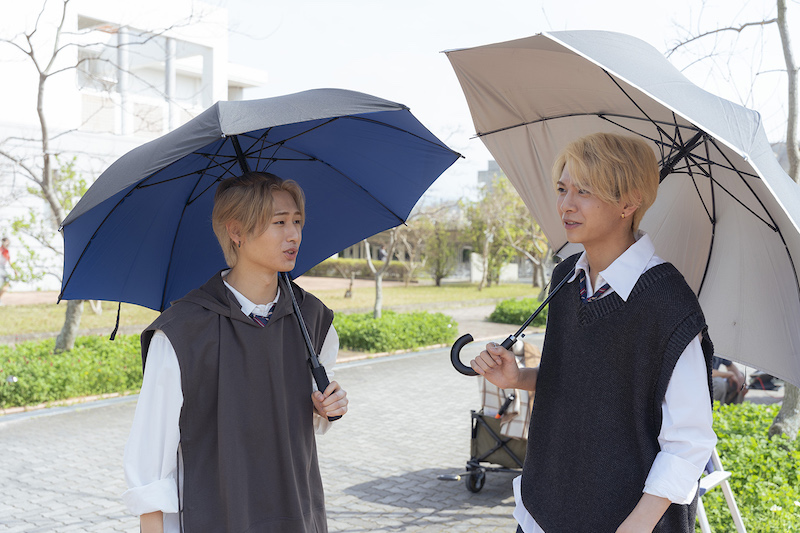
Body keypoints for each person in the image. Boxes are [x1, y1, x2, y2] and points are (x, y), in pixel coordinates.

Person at [470, 133, 716, 533]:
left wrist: (635, 526)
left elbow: (690, 442)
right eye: (562, 189)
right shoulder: (566, 278)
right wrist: (519, 377)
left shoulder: (668, 303)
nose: (566, 204)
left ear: (629, 203)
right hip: (543, 510)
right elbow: (581, 381)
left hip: (630, 520)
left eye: (584, 191)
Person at [123, 172, 348, 533]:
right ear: (236, 232)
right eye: (279, 222)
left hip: (297, 512)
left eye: (297, 221)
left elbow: (310, 415)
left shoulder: (313, 318)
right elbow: (151, 458)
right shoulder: (182, 332)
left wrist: (326, 407)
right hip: (217, 516)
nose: (293, 234)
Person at [0, 237, 16, 305]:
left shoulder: (7, 251)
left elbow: (9, 261)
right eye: (7, 242)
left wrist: (14, 269)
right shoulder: (1, 250)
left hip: (3, 269)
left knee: (6, 284)